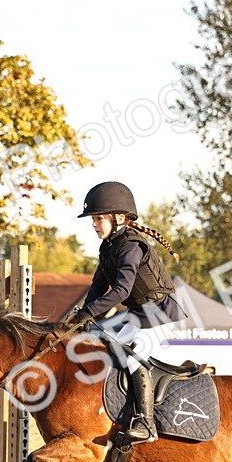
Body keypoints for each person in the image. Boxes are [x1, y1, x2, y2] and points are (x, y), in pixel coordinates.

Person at [64, 181, 184, 444]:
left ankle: (147, 424)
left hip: (161, 313)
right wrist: (82, 316)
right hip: (140, 314)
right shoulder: (108, 247)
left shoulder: (131, 246)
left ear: (118, 218)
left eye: (98, 218)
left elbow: (120, 291)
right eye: (93, 219)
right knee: (108, 349)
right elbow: (97, 287)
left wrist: (89, 312)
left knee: (134, 356)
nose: (94, 224)